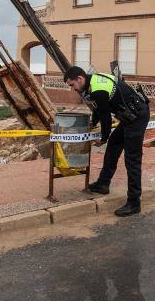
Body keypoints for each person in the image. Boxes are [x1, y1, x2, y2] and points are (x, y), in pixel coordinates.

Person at [64, 66, 150, 217]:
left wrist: (103, 138)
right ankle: (103, 184)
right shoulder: (93, 82)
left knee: (132, 159)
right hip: (129, 116)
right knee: (114, 146)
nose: (72, 89)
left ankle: (134, 202)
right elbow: (98, 109)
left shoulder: (97, 89)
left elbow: (106, 117)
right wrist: (93, 123)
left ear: (80, 79)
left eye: (72, 85)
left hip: (137, 116)